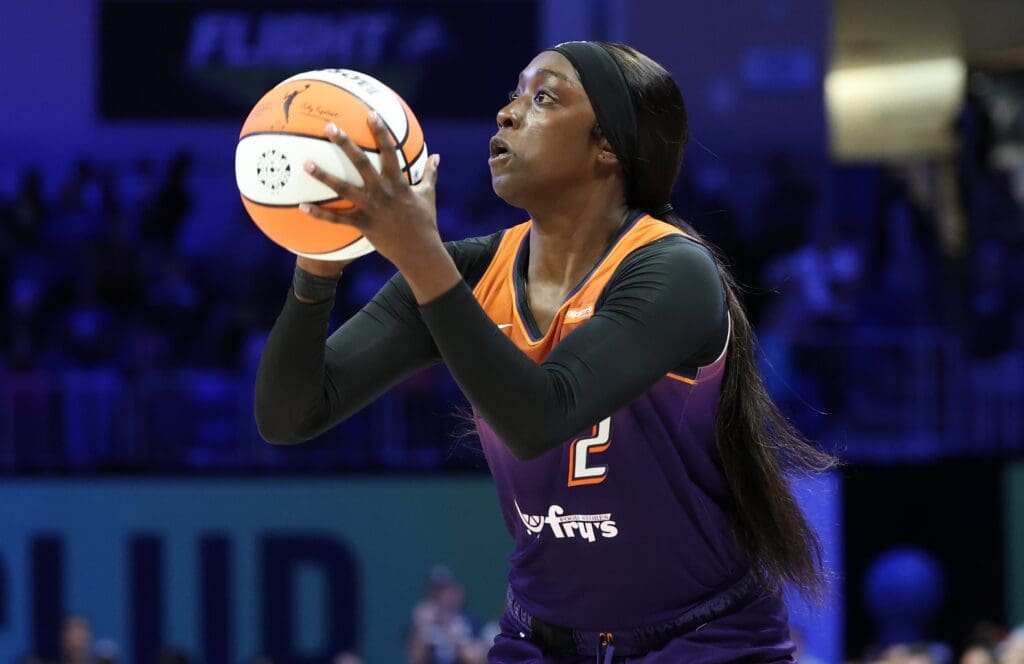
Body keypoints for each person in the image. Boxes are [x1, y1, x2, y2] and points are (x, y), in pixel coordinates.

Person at [255, 40, 834, 662]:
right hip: (539, 642)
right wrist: (318, 265)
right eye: (513, 94)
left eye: (543, 97)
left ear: (607, 145)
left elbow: (541, 417)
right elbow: (290, 415)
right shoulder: (467, 273)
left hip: (703, 641)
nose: (506, 113)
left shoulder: (675, 269)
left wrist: (420, 255)